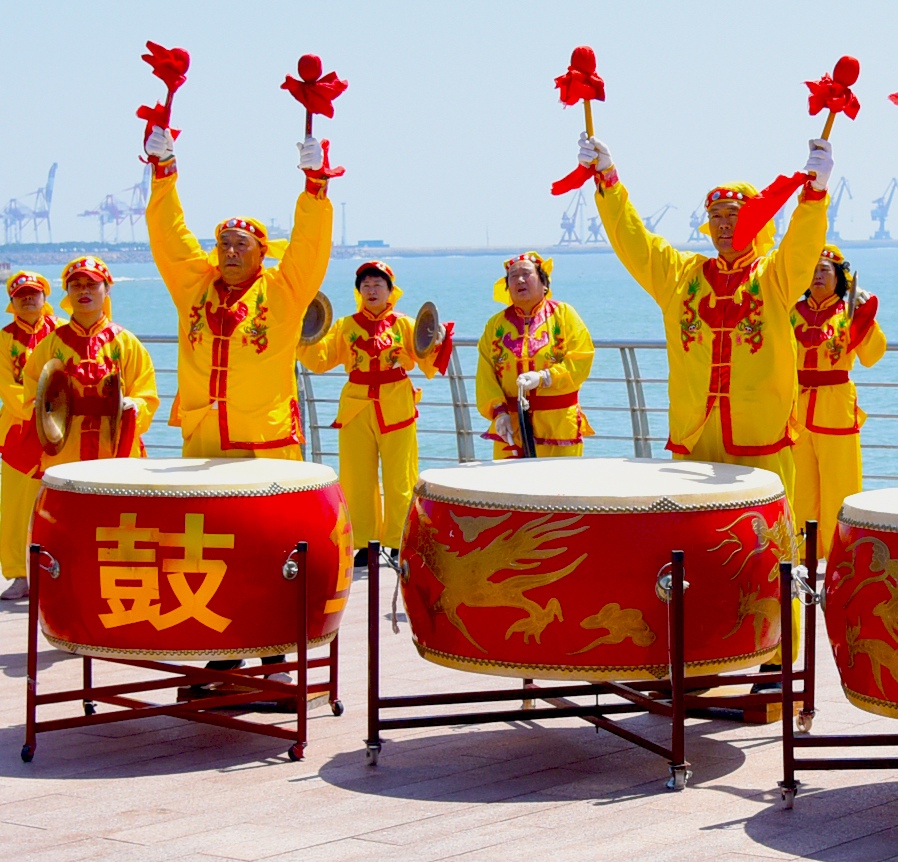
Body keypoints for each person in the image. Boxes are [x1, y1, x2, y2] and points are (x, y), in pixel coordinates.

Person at [583, 134, 830, 476]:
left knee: (762, 526)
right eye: (715, 215)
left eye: (733, 213)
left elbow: (802, 246)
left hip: (759, 435)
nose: (724, 223)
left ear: (755, 221)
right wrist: (608, 179)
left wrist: (814, 196)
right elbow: (635, 241)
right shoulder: (682, 276)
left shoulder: (774, 276)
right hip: (694, 434)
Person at [143, 122, 334, 457]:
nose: (230, 251)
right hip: (203, 432)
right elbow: (169, 235)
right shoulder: (194, 287)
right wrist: (164, 171)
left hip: (265, 437)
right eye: (224, 243)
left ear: (261, 251)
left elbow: (309, 245)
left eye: (240, 244)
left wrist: (315, 185)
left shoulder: (283, 289)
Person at [299, 260, 452, 564]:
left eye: (377, 285)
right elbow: (320, 359)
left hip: (397, 405)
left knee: (400, 478)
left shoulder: (405, 324)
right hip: (356, 406)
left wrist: (438, 340)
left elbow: (427, 360)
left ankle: (399, 540)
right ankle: (362, 544)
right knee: (357, 477)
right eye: (365, 285)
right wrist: (302, 333)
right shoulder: (345, 325)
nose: (371, 290)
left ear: (390, 291)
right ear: (358, 291)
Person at [21, 256, 158, 468]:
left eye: (92, 285)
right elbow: (31, 392)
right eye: (76, 285)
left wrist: (134, 406)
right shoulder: (50, 344)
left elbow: (146, 394)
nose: (84, 291)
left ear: (107, 289)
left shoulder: (126, 342)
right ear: (68, 291)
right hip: (66, 447)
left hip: (113, 445)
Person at [788, 247, 886, 536]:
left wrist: (866, 318)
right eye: (813, 270)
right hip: (795, 409)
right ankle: (801, 555)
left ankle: (839, 556)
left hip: (835, 406)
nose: (817, 275)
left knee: (840, 486)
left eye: (825, 270)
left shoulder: (849, 312)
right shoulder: (791, 313)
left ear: (839, 277)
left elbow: (872, 356)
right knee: (799, 487)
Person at [477, 252, 594, 457]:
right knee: (510, 486)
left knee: (558, 486)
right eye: (513, 276)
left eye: (526, 274)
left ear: (544, 283)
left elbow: (581, 359)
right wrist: (499, 412)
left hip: (557, 424)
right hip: (511, 428)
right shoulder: (496, 325)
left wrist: (544, 377)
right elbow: (486, 374)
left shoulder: (564, 315)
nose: (520, 280)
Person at [0, 271, 60, 602]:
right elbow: (7, 387)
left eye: (34, 293)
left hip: (61, 429)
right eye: (21, 295)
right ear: (12, 301)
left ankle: (58, 569)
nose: (28, 299)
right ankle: (18, 574)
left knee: (56, 504)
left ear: (46, 297)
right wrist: (36, 413)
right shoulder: (3, 340)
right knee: (15, 508)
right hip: (19, 430)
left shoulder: (61, 334)